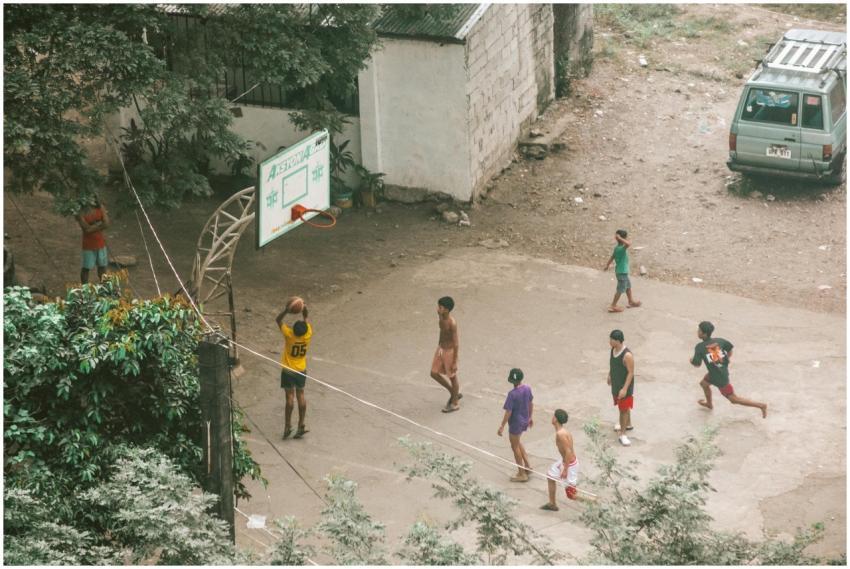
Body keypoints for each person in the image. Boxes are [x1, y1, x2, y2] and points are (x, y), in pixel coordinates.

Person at [690, 321, 767, 418]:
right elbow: (729, 349)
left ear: (704, 334)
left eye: (699, 330)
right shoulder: (719, 341)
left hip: (719, 378)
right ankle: (709, 404)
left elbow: (697, 364)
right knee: (704, 384)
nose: (697, 332)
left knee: (733, 399)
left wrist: (691, 360)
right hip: (717, 372)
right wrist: (725, 361)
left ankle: (761, 406)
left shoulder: (700, 347)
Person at [275, 300, 314, 439]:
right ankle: (301, 425)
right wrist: (304, 308)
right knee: (301, 396)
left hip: (288, 370)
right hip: (301, 370)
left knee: (289, 398)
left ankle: (287, 426)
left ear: (293, 329)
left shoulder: (289, 334)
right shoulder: (308, 334)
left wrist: (287, 310)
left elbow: (278, 320)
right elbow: (306, 319)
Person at [497, 368, 533, 482]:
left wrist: (502, 425)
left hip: (515, 423)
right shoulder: (527, 388)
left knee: (514, 446)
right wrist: (530, 417)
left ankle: (521, 473)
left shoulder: (512, 394)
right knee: (517, 442)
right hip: (524, 420)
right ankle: (527, 466)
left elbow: (508, 411)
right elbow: (531, 403)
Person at [540, 409, 578, 511]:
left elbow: (568, 451)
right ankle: (552, 503)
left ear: (555, 419)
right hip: (565, 461)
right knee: (550, 476)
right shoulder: (563, 431)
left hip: (569, 464)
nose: (552, 418)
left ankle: (594, 505)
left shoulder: (560, 434)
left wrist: (565, 469)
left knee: (571, 494)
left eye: (553, 416)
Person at [431, 296, 461, 412]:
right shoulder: (442, 317)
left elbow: (456, 343)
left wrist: (454, 361)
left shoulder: (452, 323)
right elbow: (442, 328)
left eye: (440, 307)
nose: (438, 309)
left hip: (449, 352)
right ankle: (453, 392)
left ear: (447, 310)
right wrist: (439, 315)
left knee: (452, 377)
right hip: (441, 349)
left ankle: (455, 403)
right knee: (433, 373)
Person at [608, 329, 635, 446]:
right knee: (623, 407)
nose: (610, 342)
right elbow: (612, 364)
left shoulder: (627, 355)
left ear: (618, 341)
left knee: (623, 410)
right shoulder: (613, 350)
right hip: (616, 384)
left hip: (623, 387)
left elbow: (631, 373)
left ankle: (623, 434)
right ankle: (628, 424)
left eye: (612, 340)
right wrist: (610, 374)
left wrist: (624, 389)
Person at [603, 229, 641, 313]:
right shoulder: (622, 248)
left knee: (628, 287)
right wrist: (620, 238)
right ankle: (613, 305)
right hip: (622, 273)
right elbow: (628, 244)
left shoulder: (617, 248)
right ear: (624, 238)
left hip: (622, 272)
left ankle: (631, 301)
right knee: (620, 289)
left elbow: (612, 257)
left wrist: (607, 265)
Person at [76, 197, 110, 284]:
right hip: (88, 245)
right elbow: (86, 229)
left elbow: (107, 223)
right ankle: (85, 289)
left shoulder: (100, 207)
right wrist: (99, 224)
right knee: (86, 268)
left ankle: (104, 287)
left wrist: (92, 227)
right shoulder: (79, 211)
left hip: (100, 243)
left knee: (102, 267)